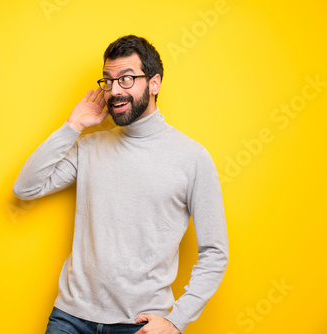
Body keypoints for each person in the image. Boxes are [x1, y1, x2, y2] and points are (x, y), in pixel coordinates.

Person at [13, 35, 229, 334]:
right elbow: (25, 188)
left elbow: (215, 251)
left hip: (139, 325)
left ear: (154, 83)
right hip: (70, 317)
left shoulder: (192, 157)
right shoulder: (88, 147)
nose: (115, 91)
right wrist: (72, 127)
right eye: (108, 80)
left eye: (126, 79)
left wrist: (176, 320)